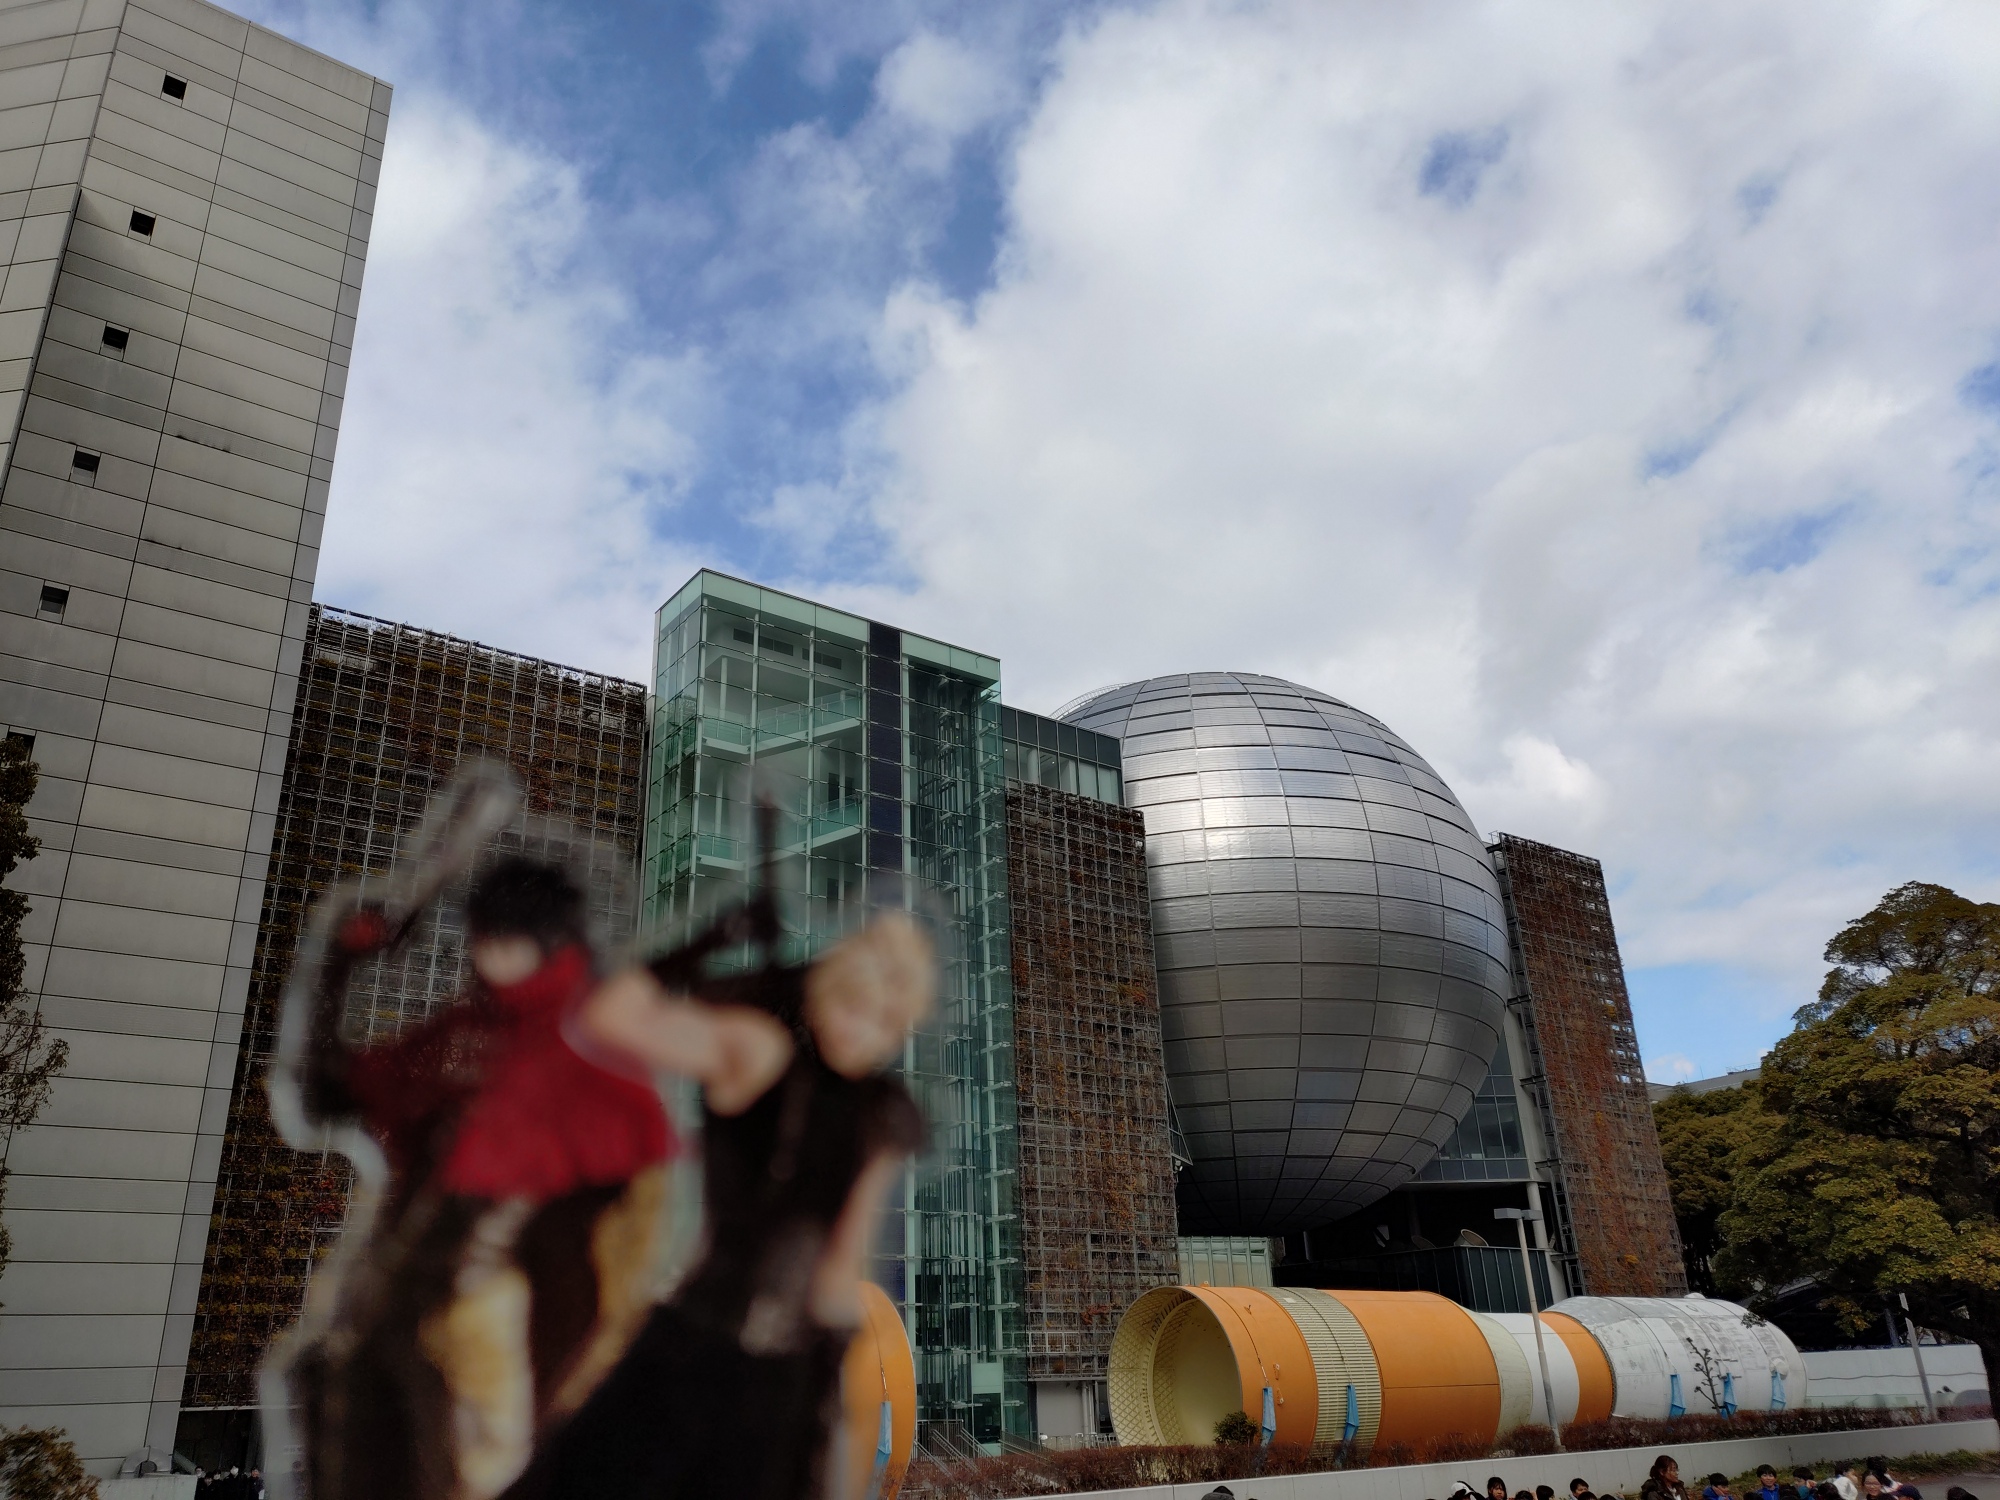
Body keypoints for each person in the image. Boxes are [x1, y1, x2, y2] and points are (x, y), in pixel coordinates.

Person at [278, 787, 791, 1500]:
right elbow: (332, 1092)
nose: (490, 954)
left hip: (522, 1279)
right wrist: (339, 970)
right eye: (486, 936)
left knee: (450, 1405)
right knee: (352, 1378)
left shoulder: (582, 1035)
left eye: (508, 939)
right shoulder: (469, 1032)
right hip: (428, 1274)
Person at [502, 902, 936, 1500]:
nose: (860, 1032)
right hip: (688, 1350)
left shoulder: (880, 1117)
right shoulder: (758, 1049)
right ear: (823, 989)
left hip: (780, 1385)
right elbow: (608, 1018)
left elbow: (841, 1267)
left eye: (884, 1023)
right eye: (851, 1005)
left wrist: (823, 1396)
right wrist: (701, 945)